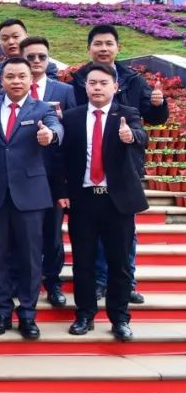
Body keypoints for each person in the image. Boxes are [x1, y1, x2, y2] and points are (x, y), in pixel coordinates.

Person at [70, 24, 166, 304]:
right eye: (98, 43)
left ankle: (126, 282)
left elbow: (152, 120)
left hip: (124, 170)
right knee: (93, 235)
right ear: (89, 48)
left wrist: (158, 104)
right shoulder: (80, 80)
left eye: (108, 43)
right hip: (90, 172)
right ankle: (100, 281)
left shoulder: (133, 80)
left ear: (117, 48)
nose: (103, 48)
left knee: (125, 233)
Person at [58, 63, 148, 342]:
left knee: (119, 262)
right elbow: (61, 159)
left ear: (115, 87)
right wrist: (62, 190)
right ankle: (84, 315)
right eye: (92, 83)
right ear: (85, 87)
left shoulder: (127, 114)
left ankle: (119, 318)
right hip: (83, 199)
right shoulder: (72, 117)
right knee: (83, 261)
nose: (97, 87)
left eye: (103, 83)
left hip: (116, 200)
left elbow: (142, 136)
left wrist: (130, 136)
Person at [0, 57, 62, 340]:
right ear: (0, 80)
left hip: (30, 195)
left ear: (30, 80)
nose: (15, 81)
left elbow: (56, 128)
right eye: (10, 76)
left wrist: (50, 135)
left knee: (30, 257)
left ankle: (27, 314)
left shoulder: (43, 109)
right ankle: (1, 311)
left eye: (21, 76)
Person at [20, 36, 77, 307]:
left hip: (52, 174)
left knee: (53, 233)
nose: (36, 61)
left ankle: (53, 282)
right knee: (21, 234)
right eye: (30, 57)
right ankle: (21, 282)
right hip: (18, 173)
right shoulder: (9, 88)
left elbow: (73, 135)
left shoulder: (63, 91)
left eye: (41, 56)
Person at [0, 19, 58, 91]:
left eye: (15, 36)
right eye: (5, 39)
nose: (11, 42)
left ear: (27, 36)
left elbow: (51, 92)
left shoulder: (45, 67)